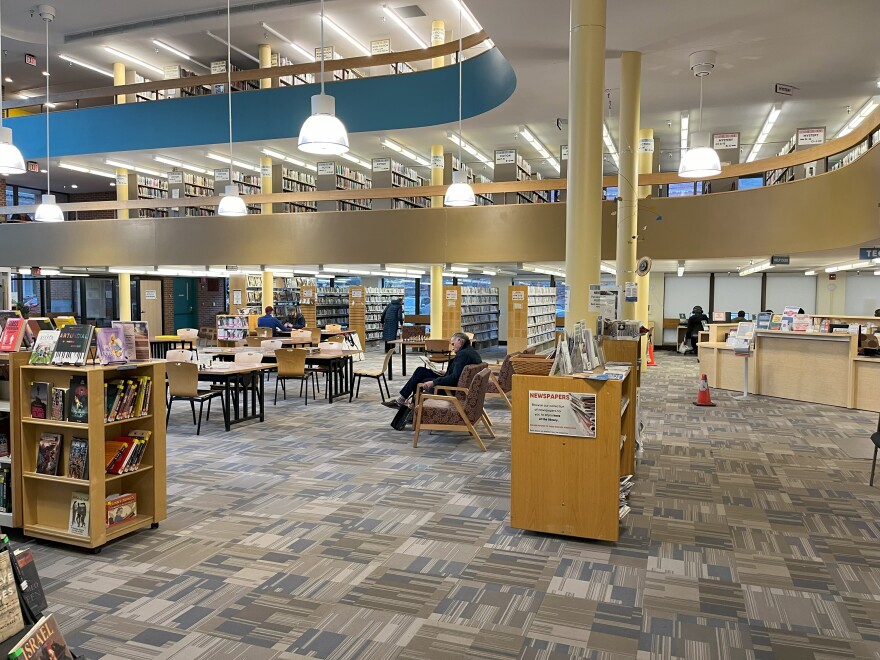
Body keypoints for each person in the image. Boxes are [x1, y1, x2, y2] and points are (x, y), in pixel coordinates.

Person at [382, 332, 481, 408]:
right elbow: (458, 374)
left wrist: (434, 382)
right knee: (420, 371)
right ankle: (407, 405)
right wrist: (445, 372)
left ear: (460, 341)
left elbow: (454, 378)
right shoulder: (471, 352)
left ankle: (407, 406)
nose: (452, 346)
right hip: (452, 382)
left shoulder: (463, 355)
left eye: (453, 343)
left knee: (419, 380)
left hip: (449, 388)